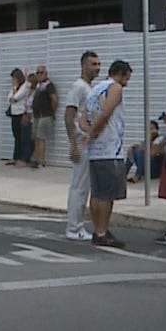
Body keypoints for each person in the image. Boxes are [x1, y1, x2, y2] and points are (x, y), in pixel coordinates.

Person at [80, 59, 133, 249]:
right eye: (127, 77)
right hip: (111, 148)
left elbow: (82, 118)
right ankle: (102, 232)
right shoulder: (115, 88)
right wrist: (94, 133)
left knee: (97, 192)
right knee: (107, 195)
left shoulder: (95, 90)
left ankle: (99, 229)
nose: (127, 82)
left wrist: (88, 133)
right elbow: (106, 113)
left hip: (96, 150)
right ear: (122, 74)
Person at [65, 52, 100, 240]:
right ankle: (74, 227)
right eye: (93, 64)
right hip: (81, 141)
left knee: (83, 186)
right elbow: (68, 116)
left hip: (88, 142)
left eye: (98, 64)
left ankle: (77, 225)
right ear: (83, 66)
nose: (97, 68)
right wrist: (73, 144)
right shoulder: (78, 87)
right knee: (79, 186)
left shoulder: (89, 88)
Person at [5, 67, 34, 166]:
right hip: (14, 114)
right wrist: (13, 91)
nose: (13, 81)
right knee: (16, 136)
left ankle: (24, 158)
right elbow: (9, 98)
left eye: (14, 78)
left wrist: (14, 94)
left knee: (24, 137)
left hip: (22, 114)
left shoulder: (25, 86)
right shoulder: (14, 87)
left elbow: (16, 97)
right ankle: (16, 157)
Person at [30, 65, 57, 169]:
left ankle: (41, 161)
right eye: (38, 73)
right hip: (37, 116)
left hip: (45, 115)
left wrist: (52, 112)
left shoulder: (49, 85)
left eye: (41, 73)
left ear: (46, 74)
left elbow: (54, 99)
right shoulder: (38, 86)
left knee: (41, 138)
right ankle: (37, 158)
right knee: (36, 138)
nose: (39, 75)